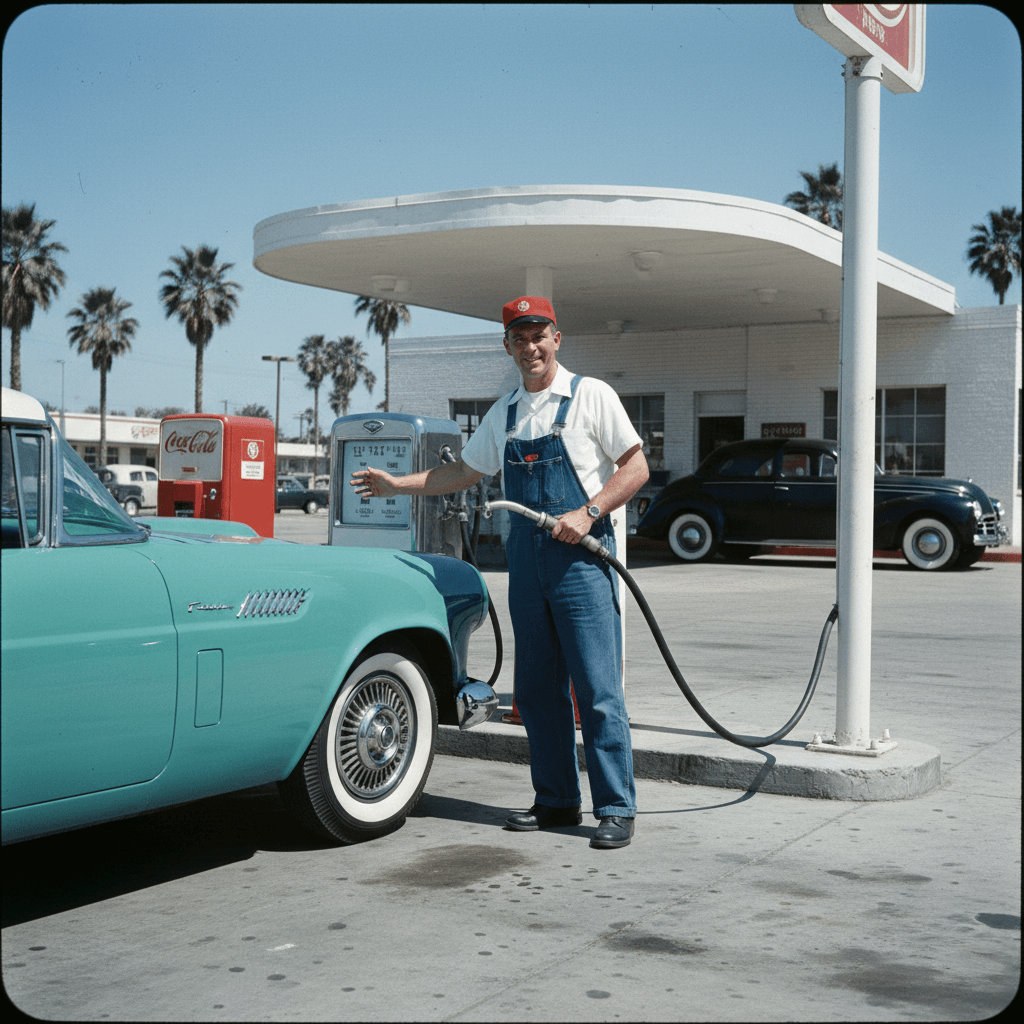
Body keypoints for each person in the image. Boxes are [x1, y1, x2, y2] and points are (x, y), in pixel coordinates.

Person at [349, 296, 649, 849]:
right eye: (518, 338)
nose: (530, 347)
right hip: (528, 568)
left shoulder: (591, 397)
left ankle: (615, 806)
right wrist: (398, 485)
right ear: (508, 346)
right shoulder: (506, 411)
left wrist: (587, 512)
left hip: (582, 561)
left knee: (597, 688)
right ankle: (557, 800)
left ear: (556, 338)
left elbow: (636, 465)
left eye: (539, 335)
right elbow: (463, 471)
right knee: (536, 693)